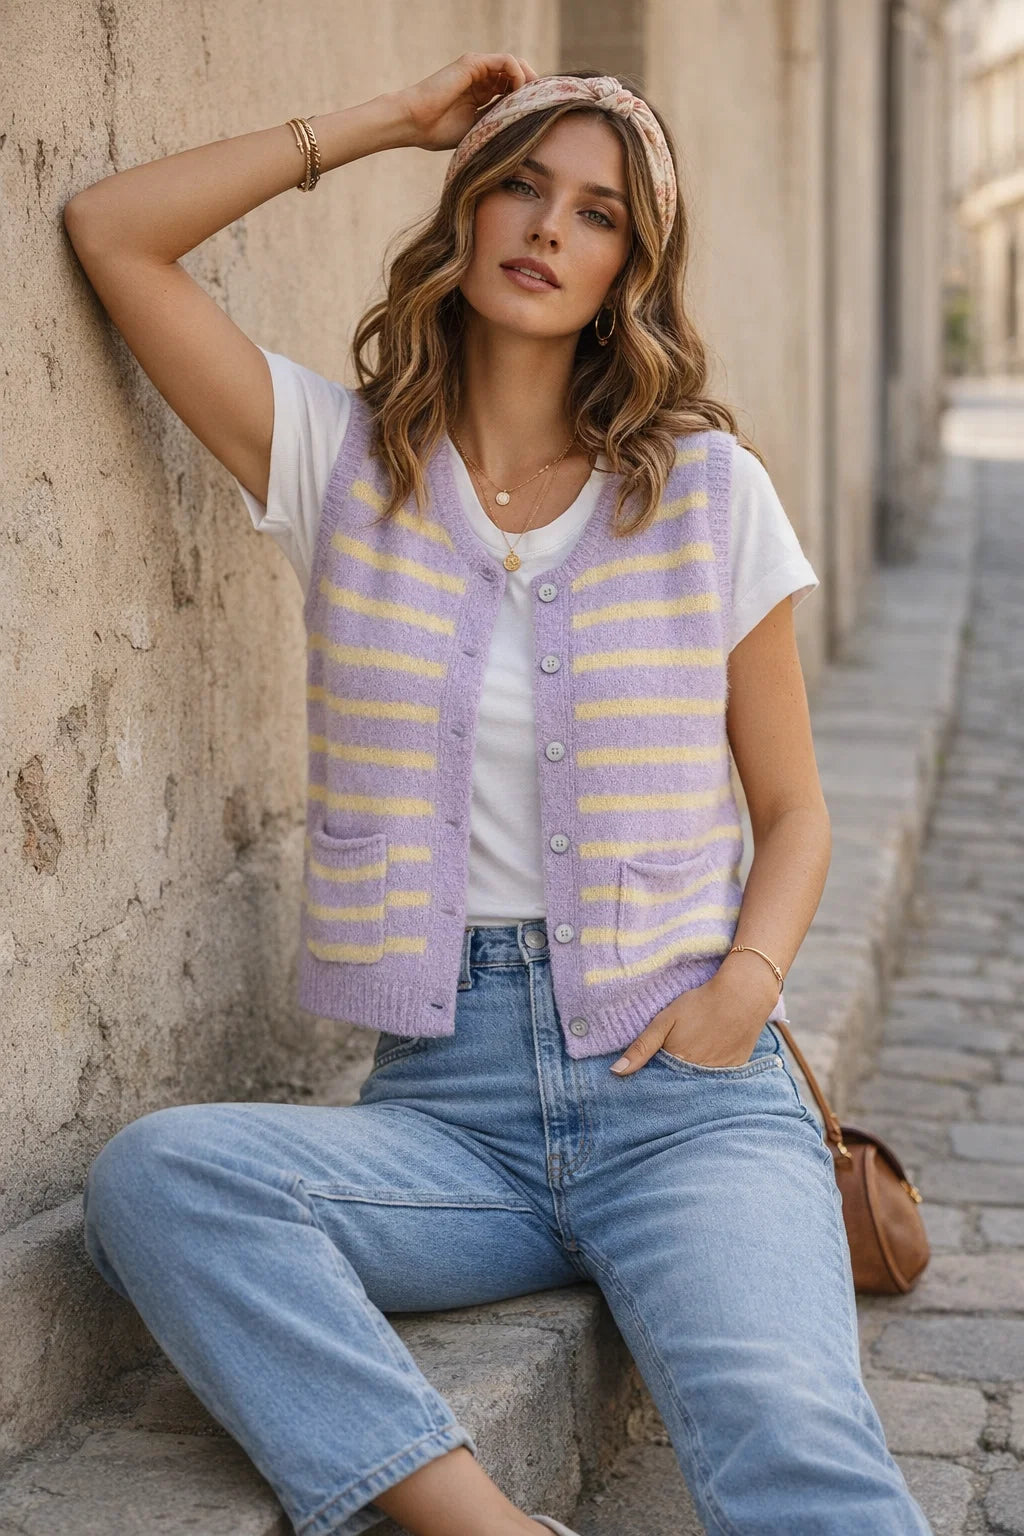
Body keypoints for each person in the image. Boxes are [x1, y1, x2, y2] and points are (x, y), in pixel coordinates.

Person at [63, 52, 933, 1536]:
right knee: (159, 1181)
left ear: (628, 270)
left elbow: (793, 811)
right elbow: (112, 231)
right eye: (520, 185)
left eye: (598, 213)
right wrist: (392, 121)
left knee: (794, 1436)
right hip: (449, 1116)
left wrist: (745, 989)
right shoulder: (344, 465)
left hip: (686, 1097)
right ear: (465, 209)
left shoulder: (708, 492)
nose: (547, 228)